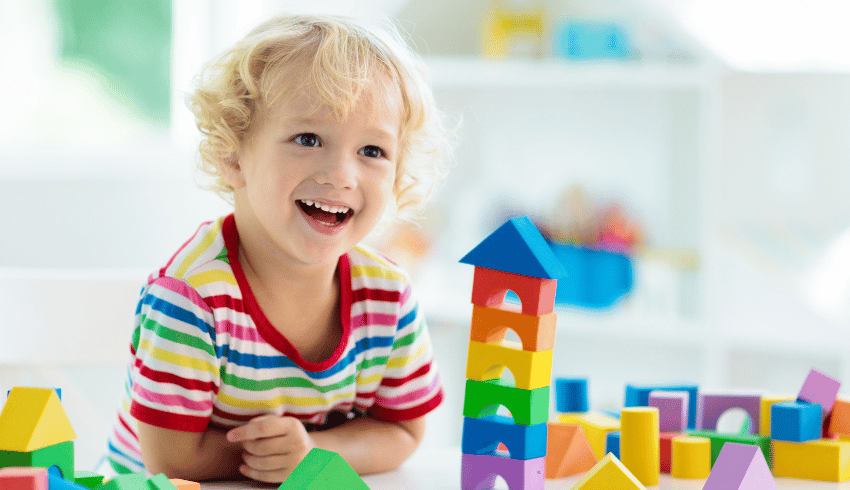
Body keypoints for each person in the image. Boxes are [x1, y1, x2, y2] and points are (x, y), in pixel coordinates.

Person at [106, 13, 451, 484]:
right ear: (234, 155)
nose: (342, 174)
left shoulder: (388, 297)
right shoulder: (192, 297)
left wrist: (312, 453)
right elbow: (170, 460)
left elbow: (405, 431)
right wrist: (278, 461)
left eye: (372, 151)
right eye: (308, 139)